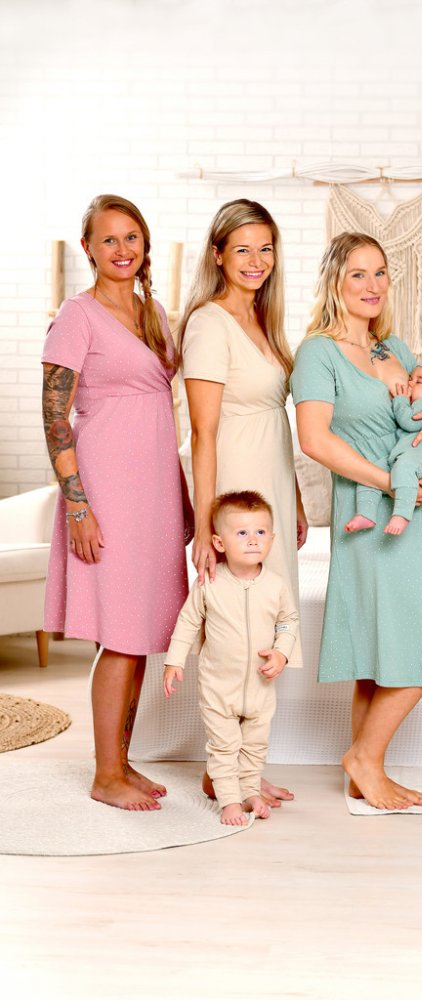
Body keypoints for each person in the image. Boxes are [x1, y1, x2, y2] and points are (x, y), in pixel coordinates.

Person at [291, 232, 422, 811]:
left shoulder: (394, 348)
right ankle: (364, 760)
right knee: (414, 643)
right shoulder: (318, 353)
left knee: (380, 650)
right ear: (334, 281)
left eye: (380, 273)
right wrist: (389, 482)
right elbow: (314, 440)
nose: (372, 286)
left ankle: (365, 769)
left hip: (411, 517)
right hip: (367, 512)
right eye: (358, 274)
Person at [41, 194, 193, 811]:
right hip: (107, 486)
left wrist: (182, 497)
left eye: (131, 237)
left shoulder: (153, 311)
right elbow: (55, 417)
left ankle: (121, 763)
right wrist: (78, 506)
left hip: (154, 485)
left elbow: (164, 406)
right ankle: (105, 775)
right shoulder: (76, 315)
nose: (122, 249)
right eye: (109, 239)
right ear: (89, 248)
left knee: (142, 632)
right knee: (121, 636)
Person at [179, 198, 307, 807]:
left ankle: (244, 772)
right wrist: (207, 526)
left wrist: (295, 500)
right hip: (234, 488)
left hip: (270, 486)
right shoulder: (210, 323)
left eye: (265, 249)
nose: (256, 261)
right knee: (232, 639)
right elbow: (203, 434)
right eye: (242, 249)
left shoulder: (262, 319)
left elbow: (279, 422)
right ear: (217, 255)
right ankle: (221, 772)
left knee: (264, 633)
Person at [163, 491, 299, 826]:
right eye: (242, 533)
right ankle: (229, 802)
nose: (253, 540)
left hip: (260, 687)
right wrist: (174, 661)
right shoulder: (209, 583)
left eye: (260, 532)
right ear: (219, 543)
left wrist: (282, 651)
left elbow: (288, 621)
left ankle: (250, 792)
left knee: (254, 745)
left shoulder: (276, 585)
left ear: (272, 539)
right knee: (224, 747)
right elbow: (188, 621)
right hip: (218, 686)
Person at [345, 361, 422, 536]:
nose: (410, 383)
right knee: (371, 472)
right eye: (410, 378)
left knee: (404, 467)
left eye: (419, 381)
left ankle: (402, 515)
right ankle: (365, 514)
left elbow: (409, 421)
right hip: (411, 457)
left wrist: (400, 400)